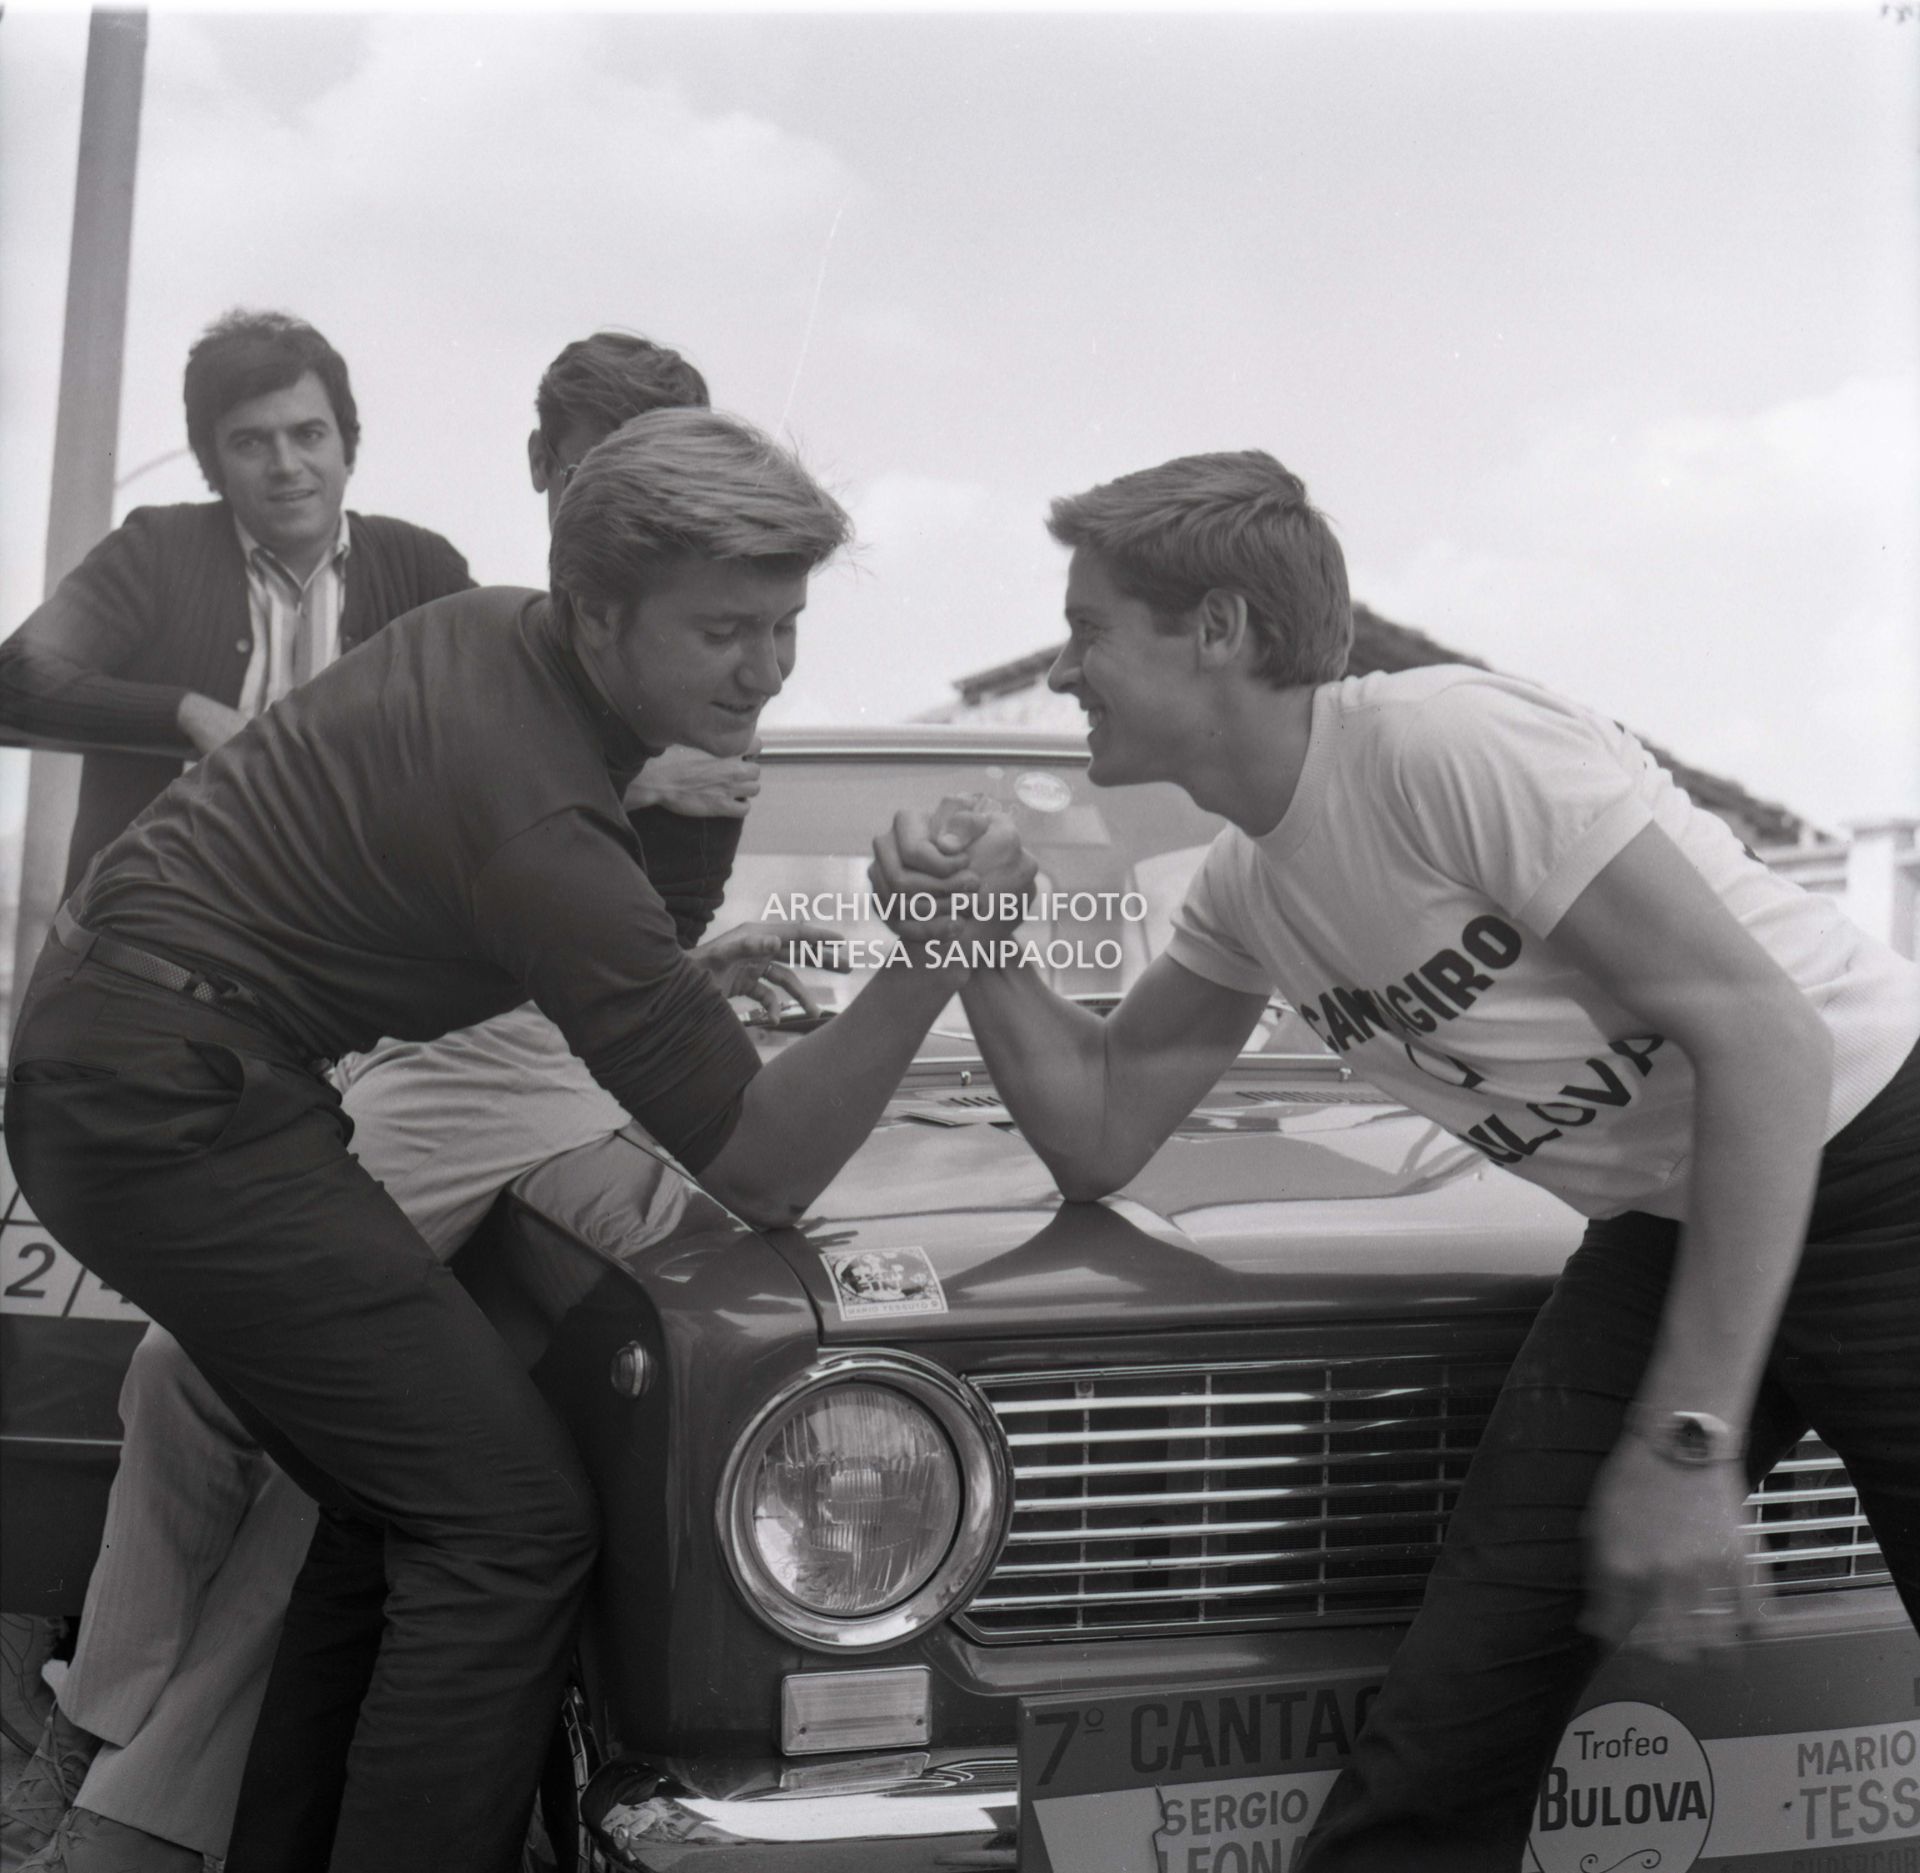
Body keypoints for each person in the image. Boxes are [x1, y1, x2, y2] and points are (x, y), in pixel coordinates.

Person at [871, 449, 1920, 1871]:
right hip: (1669, 1219)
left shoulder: (1443, 746)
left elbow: (1770, 1042)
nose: (1062, 671)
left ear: (1223, 629)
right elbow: (1100, 1127)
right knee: (1451, 1730)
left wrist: (1689, 1439)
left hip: (1878, 1157)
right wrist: (982, 933)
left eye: (1090, 628)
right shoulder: (1248, 884)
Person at [5, 405, 999, 1873]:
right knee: (512, 1528)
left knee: (388, 1501)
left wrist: (675, 976)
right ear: (597, 610)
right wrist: (941, 945)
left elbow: (438, 891)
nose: (768, 668)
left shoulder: (490, 636)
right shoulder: (544, 815)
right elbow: (768, 1168)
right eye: (727, 628)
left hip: (146, 1061)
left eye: (785, 623)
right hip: (170, 1099)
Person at [0, 310, 470, 895]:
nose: (286, 465)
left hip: (355, 935)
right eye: (250, 441)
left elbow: (507, 712)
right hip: (161, 933)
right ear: (211, 463)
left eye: (308, 434)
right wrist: (184, 712)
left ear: (347, 446)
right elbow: (14, 676)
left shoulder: (421, 567)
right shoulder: (156, 552)